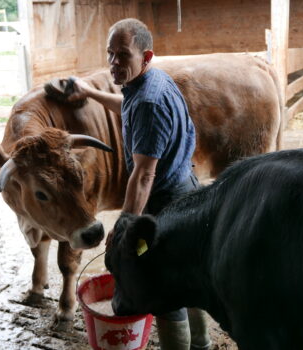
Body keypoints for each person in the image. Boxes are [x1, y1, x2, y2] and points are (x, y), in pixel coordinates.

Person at [68, 18, 211, 350]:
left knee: (162, 286)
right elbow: (128, 107)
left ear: (146, 56)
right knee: (189, 276)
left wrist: (125, 225)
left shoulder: (149, 101)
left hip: (165, 201)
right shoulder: (151, 81)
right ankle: (202, 344)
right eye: (110, 54)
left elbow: (144, 175)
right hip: (185, 187)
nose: (115, 64)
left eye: (123, 55)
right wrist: (90, 92)